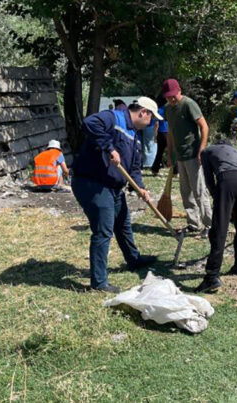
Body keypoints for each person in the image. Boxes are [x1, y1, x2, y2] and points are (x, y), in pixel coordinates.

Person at [72, 97, 161, 293]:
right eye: (152, 118)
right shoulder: (114, 118)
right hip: (92, 183)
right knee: (104, 229)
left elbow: (135, 168)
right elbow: (89, 123)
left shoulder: (135, 136)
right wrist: (109, 147)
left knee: (123, 223)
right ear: (143, 112)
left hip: (113, 187)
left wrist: (141, 187)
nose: (152, 123)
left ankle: (133, 259)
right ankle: (99, 283)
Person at [195, 141, 237, 293]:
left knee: (219, 229)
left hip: (228, 179)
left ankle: (212, 276)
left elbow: (209, 180)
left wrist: (218, 199)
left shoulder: (206, 152)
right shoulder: (235, 151)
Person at [162, 78, 213, 234]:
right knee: (185, 192)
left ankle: (210, 225)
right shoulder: (168, 109)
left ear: (179, 91)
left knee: (199, 191)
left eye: (173, 96)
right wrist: (170, 154)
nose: (171, 99)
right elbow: (170, 132)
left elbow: (204, 126)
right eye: (168, 96)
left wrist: (201, 150)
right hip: (180, 156)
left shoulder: (188, 104)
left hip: (193, 155)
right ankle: (193, 224)